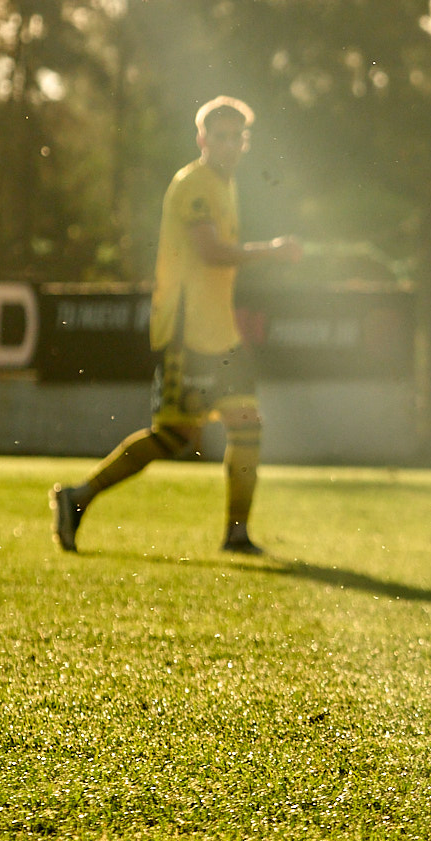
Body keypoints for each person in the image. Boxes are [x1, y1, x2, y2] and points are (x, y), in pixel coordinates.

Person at [52, 97, 301, 554]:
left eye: (236, 137)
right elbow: (210, 252)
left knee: (247, 426)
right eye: (219, 136)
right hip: (187, 333)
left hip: (221, 332)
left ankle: (237, 533)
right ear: (202, 139)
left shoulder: (226, 186)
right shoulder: (195, 185)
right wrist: (272, 250)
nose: (228, 145)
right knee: (174, 436)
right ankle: (77, 497)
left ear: (245, 143)